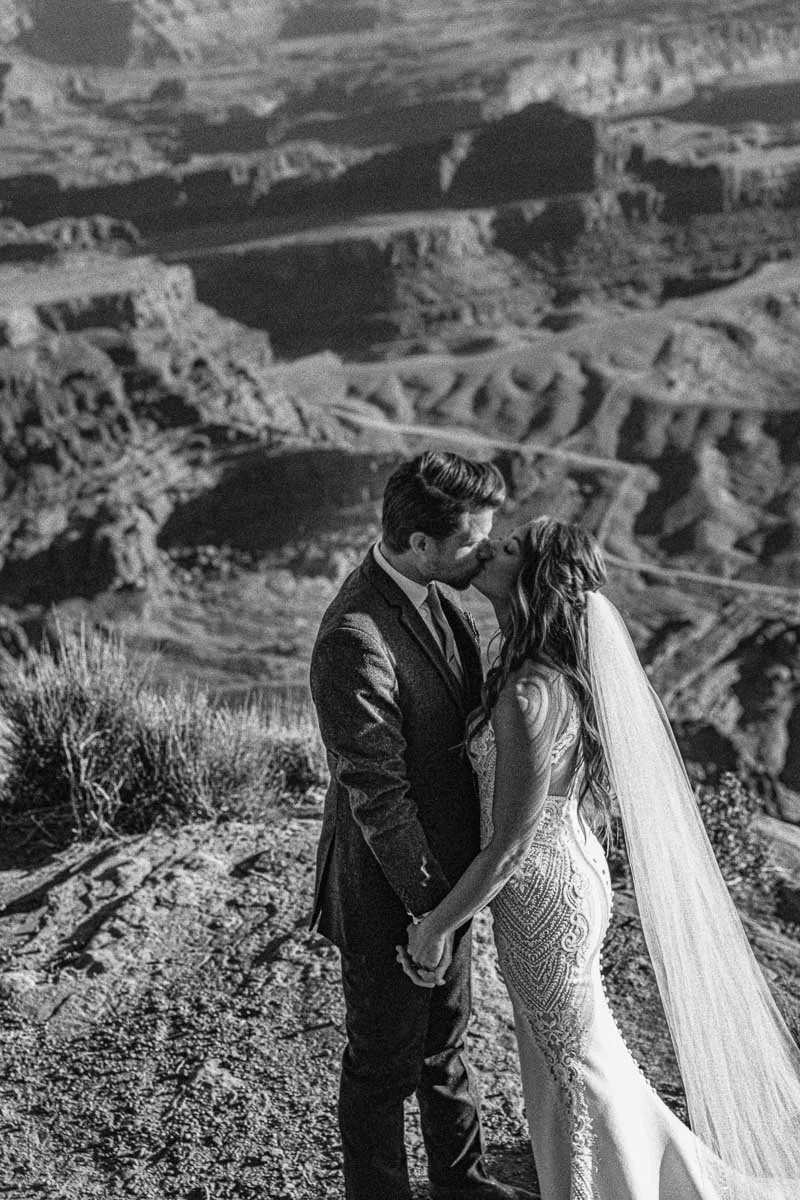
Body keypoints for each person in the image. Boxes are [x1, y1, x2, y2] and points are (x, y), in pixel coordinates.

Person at [403, 516, 800, 1200]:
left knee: (574, 1062)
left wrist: (437, 925)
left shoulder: (528, 693)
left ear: (532, 582)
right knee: (574, 1054)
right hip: (560, 873)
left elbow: (509, 846)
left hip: (542, 888)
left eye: (509, 547)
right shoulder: (532, 670)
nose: (492, 547)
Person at [310, 451, 534, 1200]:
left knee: (444, 1047)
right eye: (475, 540)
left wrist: (455, 905)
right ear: (418, 543)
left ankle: (462, 1183)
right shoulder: (355, 636)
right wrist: (427, 913)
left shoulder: (440, 593)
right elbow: (378, 794)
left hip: (449, 884)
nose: (487, 551)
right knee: (379, 1066)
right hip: (389, 894)